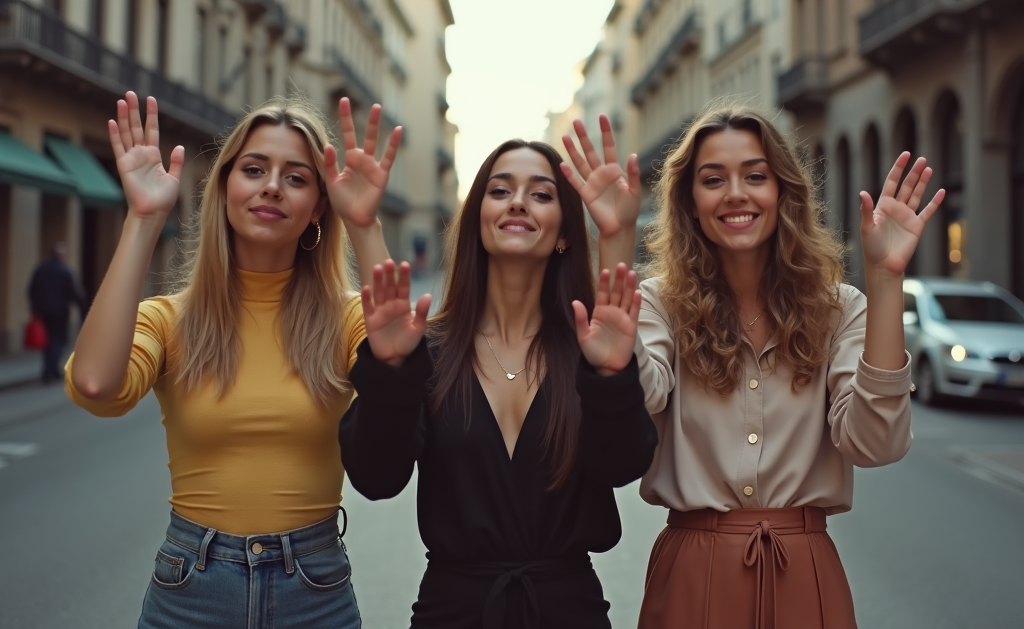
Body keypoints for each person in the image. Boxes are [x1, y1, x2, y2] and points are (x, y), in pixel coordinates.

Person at [562, 105, 944, 629]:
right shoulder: (660, 303)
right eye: (713, 179)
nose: (735, 193)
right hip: (692, 571)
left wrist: (886, 277)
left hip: (805, 573)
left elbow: (875, 444)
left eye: (755, 176)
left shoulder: (841, 308)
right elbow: (642, 397)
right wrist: (615, 241)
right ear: (691, 203)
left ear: (783, 192)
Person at [65, 91, 401, 628]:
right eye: (253, 169)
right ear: (223, 188)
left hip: (314, 589)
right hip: (191, 587)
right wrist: (143, 219)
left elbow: (401, 359)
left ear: (319, 206)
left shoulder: (347, 319)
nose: (272, 185)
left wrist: (363, 223)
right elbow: (95, 384)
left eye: (296, 177)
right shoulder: (169, 319)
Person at [338, 139, 658, 629]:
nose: (518, 201)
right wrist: (390, 368)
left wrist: (612, 375)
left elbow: (622, 466)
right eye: (500, 189)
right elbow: (376, 478)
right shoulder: (430, 348)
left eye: (542, 194)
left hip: (569, 612)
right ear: (478, 220)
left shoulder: (592, 349)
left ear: (564, 235)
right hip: (452, 612)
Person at [28, 242, 87, 384]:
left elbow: (31, 290)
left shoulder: (40, 269)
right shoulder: (65, 271)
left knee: (47, 341)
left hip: (43, 312)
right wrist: (84, 308)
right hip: (60, 313)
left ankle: (49, 370)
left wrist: (35, 308)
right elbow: (74, 292)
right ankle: (50, 370)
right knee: (59, 340)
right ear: (61, 256)